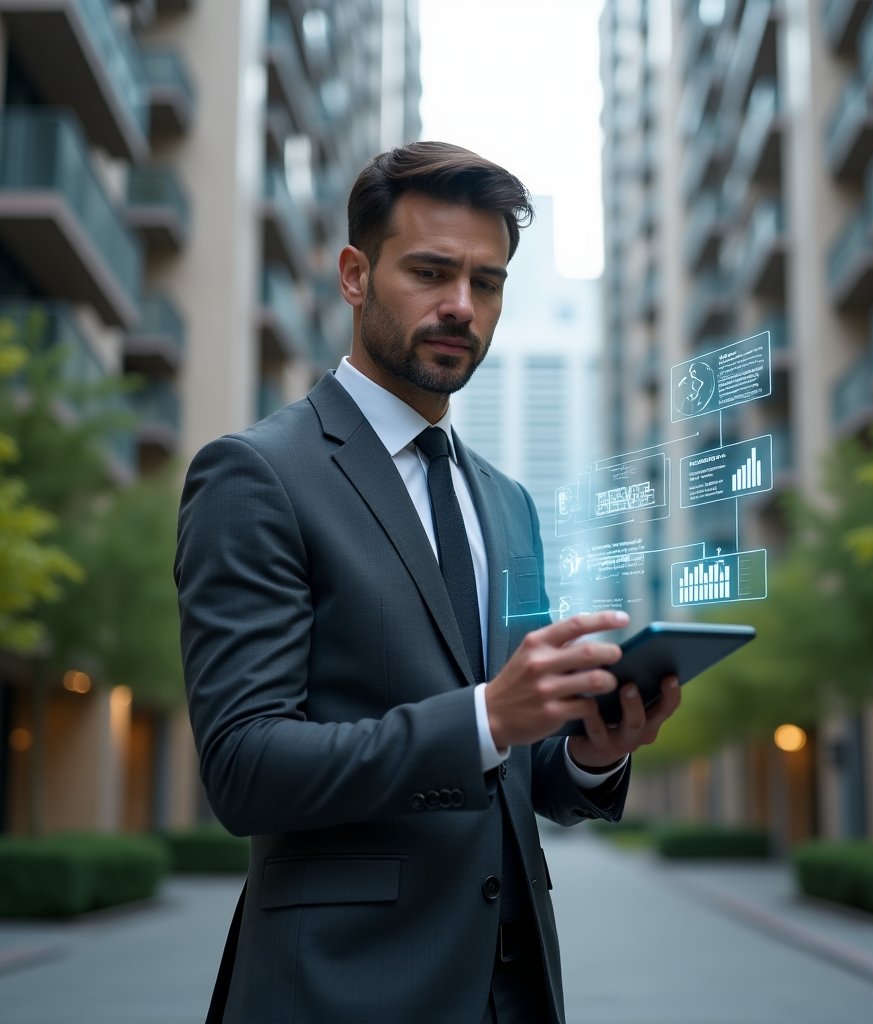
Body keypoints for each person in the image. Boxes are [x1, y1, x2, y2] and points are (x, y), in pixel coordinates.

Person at [174, 141, 681, 1024]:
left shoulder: (508, 503)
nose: (461, 307)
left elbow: (520, 769)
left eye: (487, 283)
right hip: (338, 992)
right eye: (431, 272)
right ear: (354, 275)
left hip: (512, 991)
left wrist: (594, 752)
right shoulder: (256, 475)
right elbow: (244, 767)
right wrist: (487, 717)